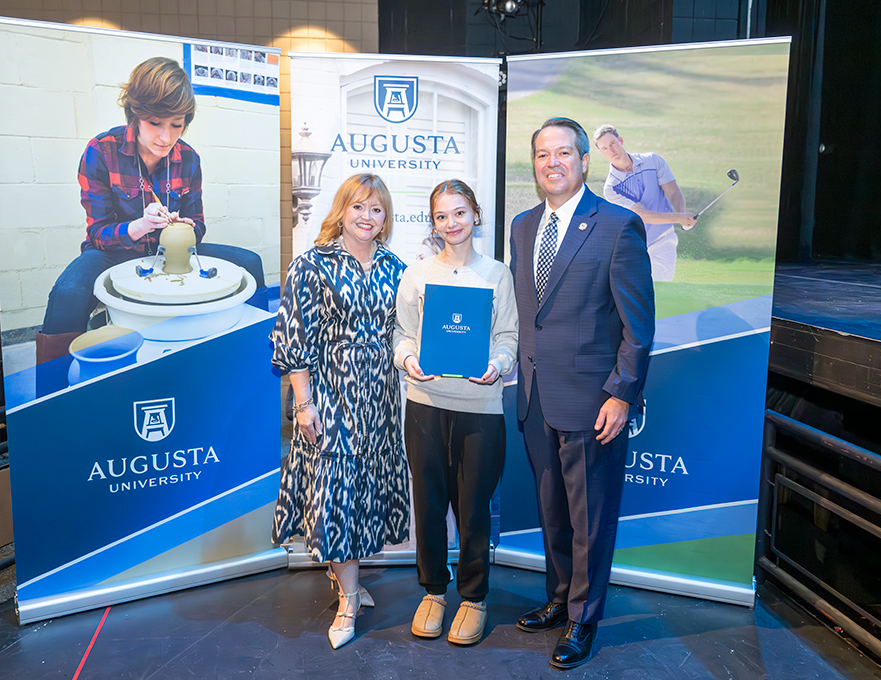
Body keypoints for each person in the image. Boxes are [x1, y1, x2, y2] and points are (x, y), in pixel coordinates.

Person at [509, 118, 655, 669]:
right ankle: (557, 598)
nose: (553, 162)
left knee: (590, 517)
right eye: (543, 154)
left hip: (594, 404)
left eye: (564, 153)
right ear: (535, 163)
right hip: (535, 398)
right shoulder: (523, 226)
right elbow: (533, 317)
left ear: (584, 160)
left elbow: (638, 326)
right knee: (552, 512)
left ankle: (582, 619)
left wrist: (621, 394)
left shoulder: (618, 226)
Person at [36, 56, 265, 363]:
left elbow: (198, 223)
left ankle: (258, 359)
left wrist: (186, 228)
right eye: (155, 123)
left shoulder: (189, 159)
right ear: (135, 113)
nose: (166, 137)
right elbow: (98, 232)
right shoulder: (101, 150)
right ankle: (54, 391)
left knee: (250, 262)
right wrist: (140, 225)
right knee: (68, 293)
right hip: (112, 250)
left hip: (171, 253)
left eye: (177, 125)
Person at [270, 173, 410, 650]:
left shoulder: (397, 268)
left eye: (377, 209)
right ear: (341, 210)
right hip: (331, 393)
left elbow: (410, 333)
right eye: (359, 207)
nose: (368, 217)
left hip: (382, 398)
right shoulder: (311, 265)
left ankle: (343, 577)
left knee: (362, 494)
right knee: (335, 491)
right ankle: (349, 601)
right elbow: (293, 337)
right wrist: (304, 404)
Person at [393, 179, 518, 646]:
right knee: (427, 506)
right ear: (434, 222)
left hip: (481, 410)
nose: (452, 223)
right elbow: (402, 334)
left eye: (460, 213)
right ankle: (433, 591)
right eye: (442, 216)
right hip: (425, 405)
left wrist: (498, 365)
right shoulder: (418, 273)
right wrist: (407, 359)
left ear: (476, 215)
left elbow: (508, 338)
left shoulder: (497, 275)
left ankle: (473, 597)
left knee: (473, 511)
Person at [594, 124, 697, 282]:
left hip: (664, 241)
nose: (611, 150)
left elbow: (674, 192)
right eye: (605, 148)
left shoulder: (652, 161)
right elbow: (642, 215)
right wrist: (679, 217)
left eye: (613, 143)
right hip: (633, 250)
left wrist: (683, 218)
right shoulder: (611, 188)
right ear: (601, 152)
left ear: (620, 140)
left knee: (659, 289)